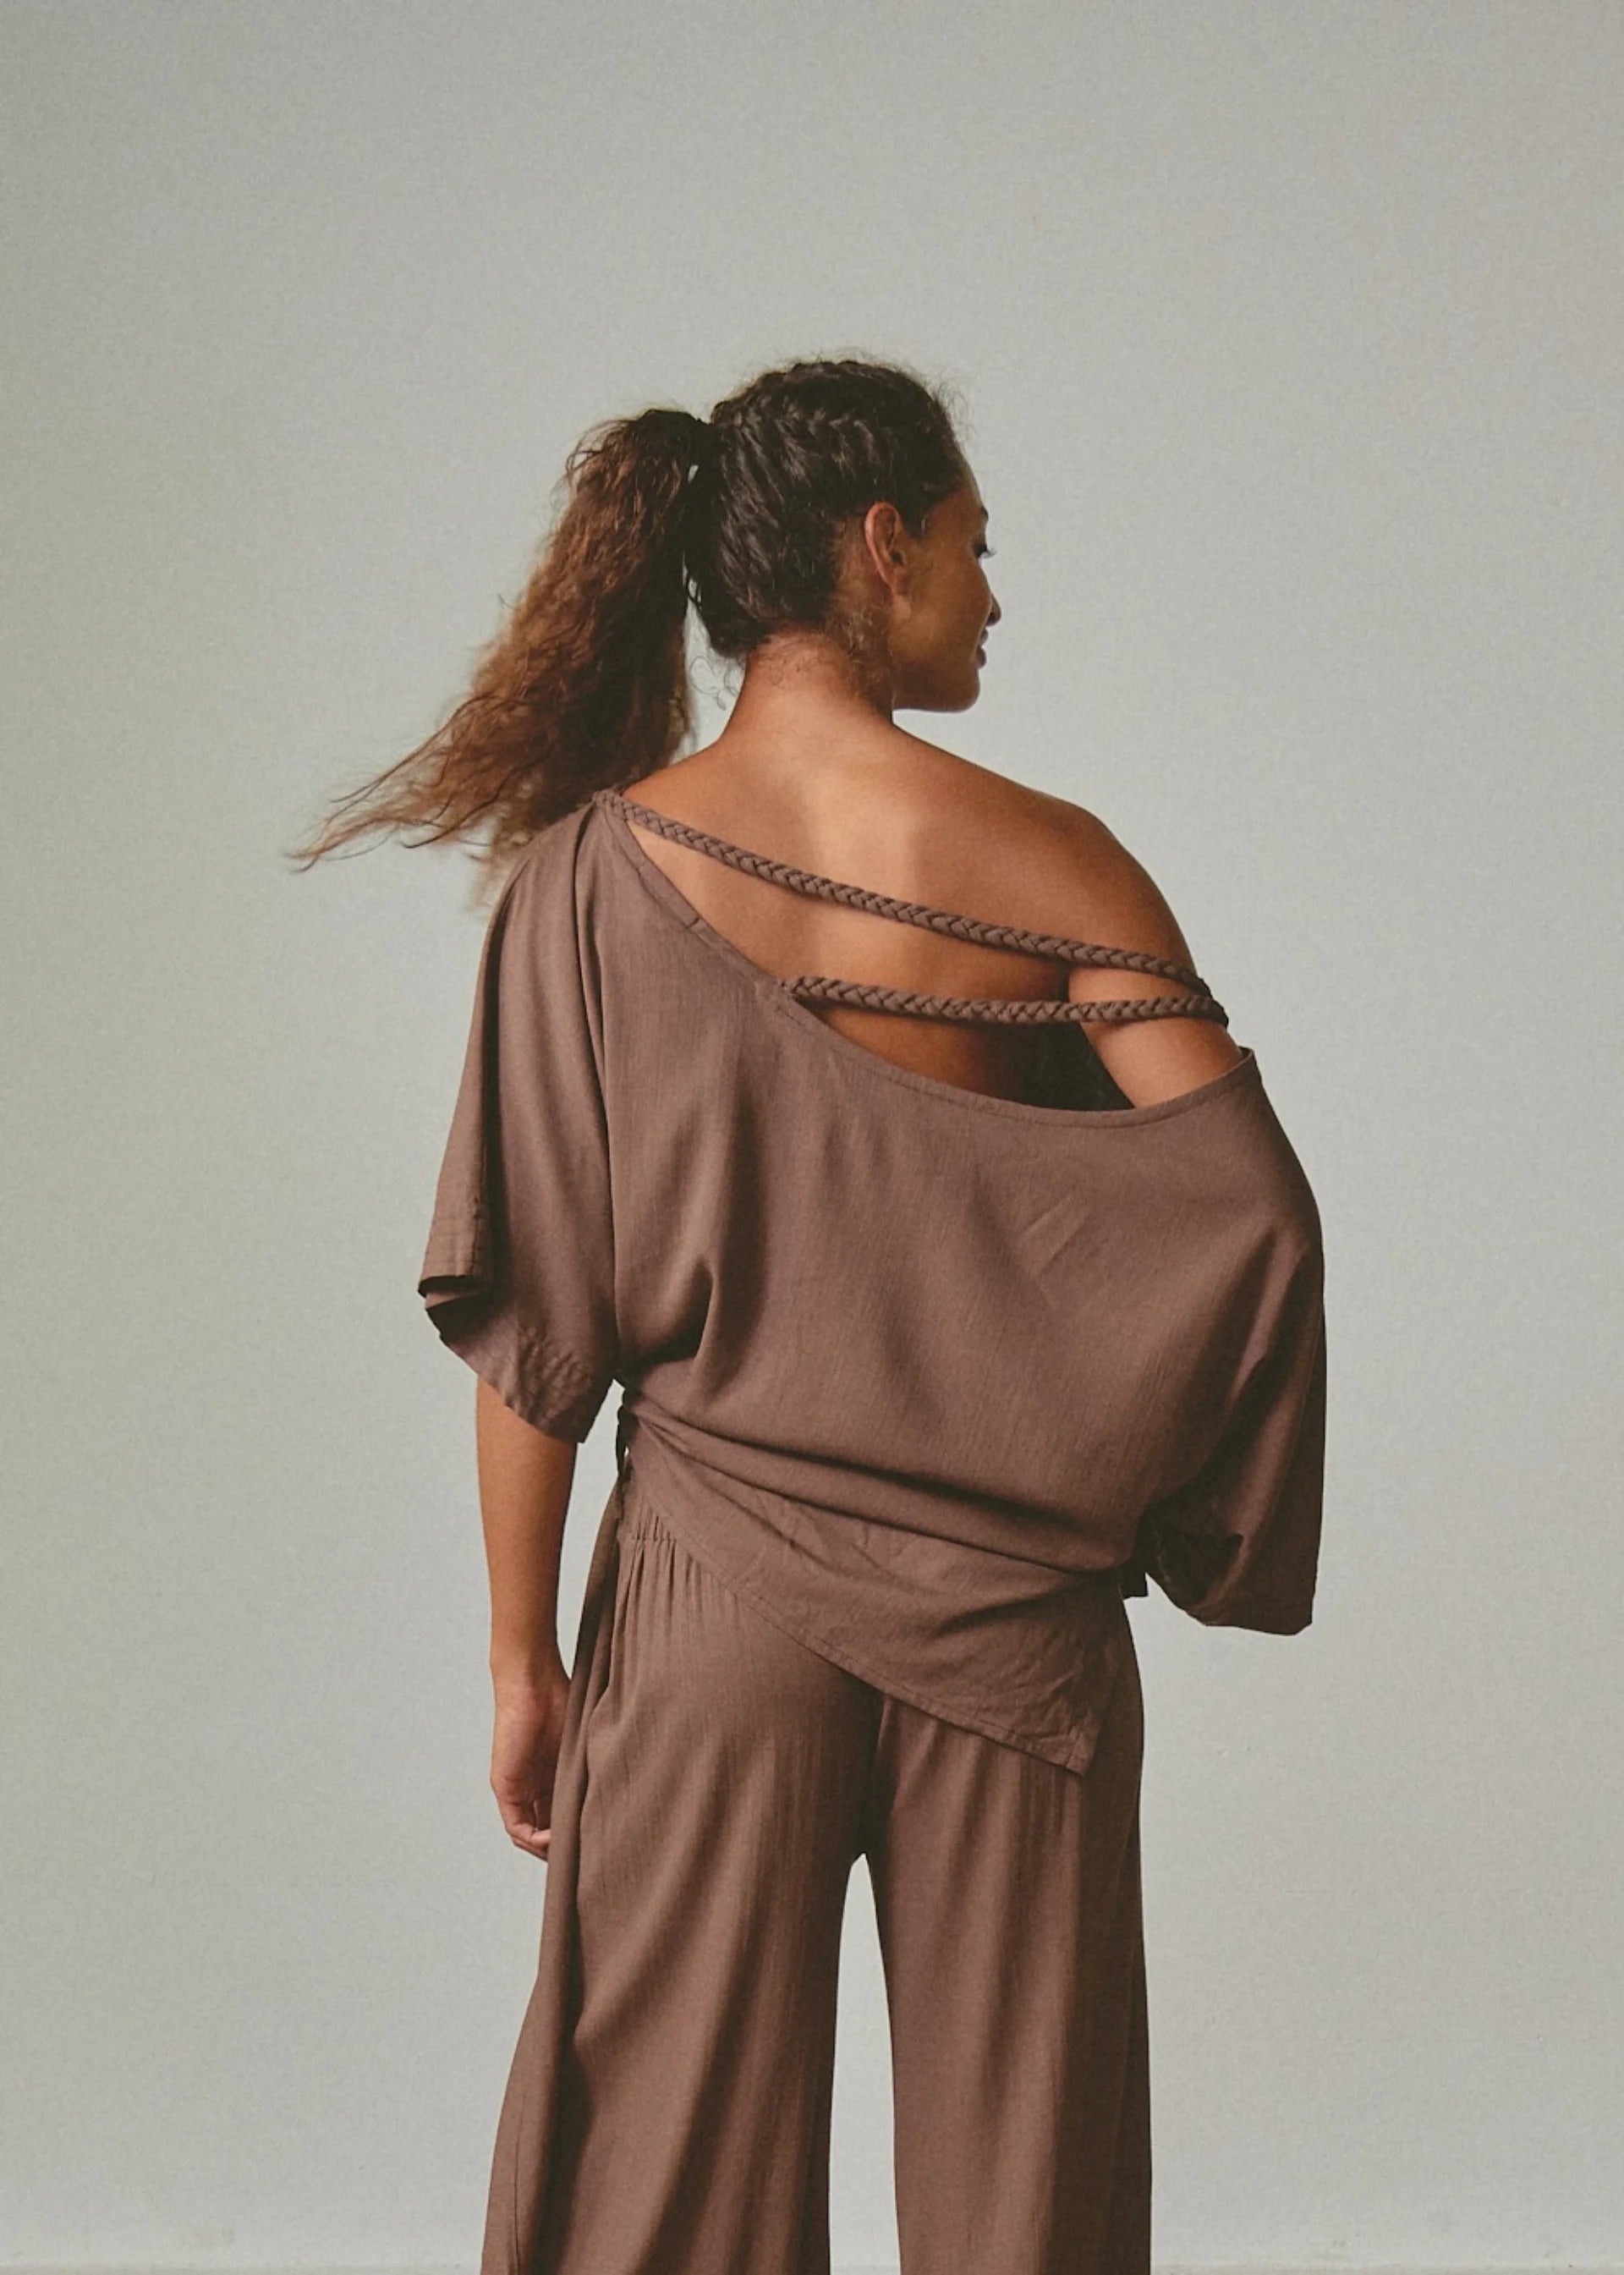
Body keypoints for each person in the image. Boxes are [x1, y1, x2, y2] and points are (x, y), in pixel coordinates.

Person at [288, 354, 1327, 2275]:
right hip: (1014, 1642)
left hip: (711, 1614)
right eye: (976, 548)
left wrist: (523, 1657)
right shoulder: (1056, 861)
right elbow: (1248, 1212)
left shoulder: (588, 882)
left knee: (653, 2188)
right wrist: (1103, 1451)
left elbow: (539, 1329)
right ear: (882, 545)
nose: (995, 594)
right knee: (1028, 2205)